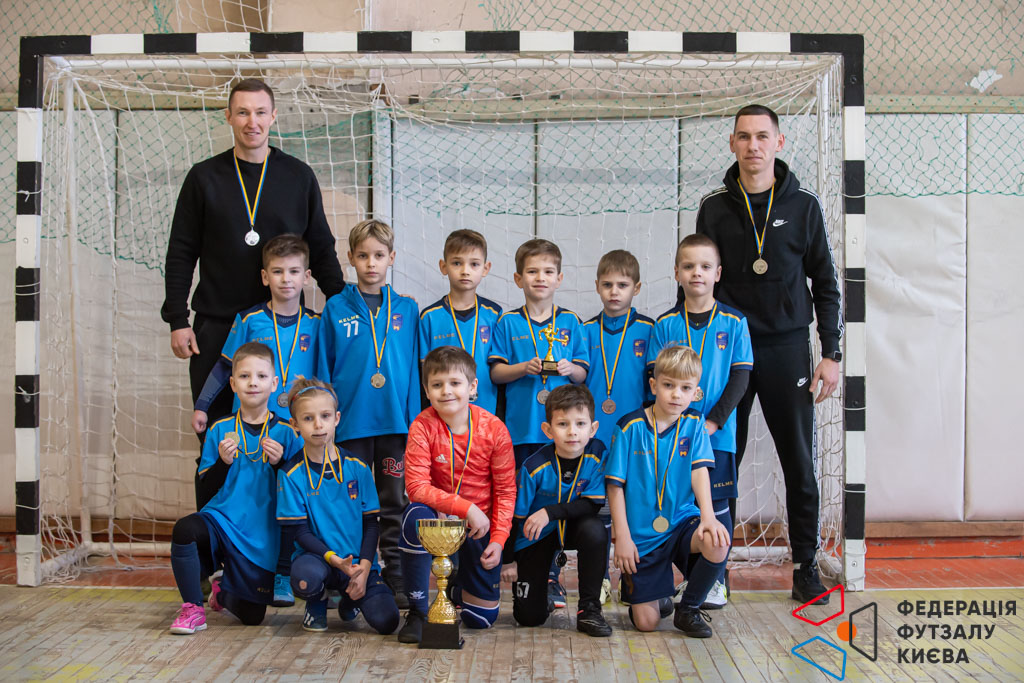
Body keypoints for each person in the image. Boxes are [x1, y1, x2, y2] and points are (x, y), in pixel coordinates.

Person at [161, 78, 343, 508]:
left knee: (289, 443)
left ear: (273, 116)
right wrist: (177, 319)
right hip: (218, 326)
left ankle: (283, 538)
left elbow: (321, 247)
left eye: (260, 112)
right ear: (228, 117)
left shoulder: (297, 176)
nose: (252, 122)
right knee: (216, 439)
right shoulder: (203, 177)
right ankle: (214, 538)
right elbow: (181, 251)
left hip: (283, 329)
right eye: (242, 112)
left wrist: (342, 306)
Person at [695, 104, 842, 603]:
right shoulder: (714, 207)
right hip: (726, 349)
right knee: (719, 459)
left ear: (779, 143)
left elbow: (825, 283)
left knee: (799, 460)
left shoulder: (804, 205)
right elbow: (699, 278)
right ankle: (712, 570)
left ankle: (805, 565)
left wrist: (831, 352)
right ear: (732, 144)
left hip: (786, 348)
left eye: (762, 136)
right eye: (744, 137)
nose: (753, 145)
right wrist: (691, 351)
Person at [316, 219, 419, 607]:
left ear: (391, 258)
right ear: (350, 258)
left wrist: (413, 421)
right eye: (363, 256)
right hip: (350, 425)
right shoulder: (335, 308)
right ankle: (348, 572)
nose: (371, 263)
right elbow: (323, 368)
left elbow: (415, 370)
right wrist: (326, 419)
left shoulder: (407, 309)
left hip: (394, 424)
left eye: (378, 255)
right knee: (350, 501)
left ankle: (394, 570)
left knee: (393, 500)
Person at [647, 234, 752, 609]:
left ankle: (716, 582)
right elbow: (654, 381)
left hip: (716, 435)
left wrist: (714, 422)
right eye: (689, 266)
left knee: (716, 504)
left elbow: (741, 378)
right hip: (674, 436)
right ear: (676, 272)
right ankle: (684, 580)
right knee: (678, 506)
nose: (697, 273)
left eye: (705, 267)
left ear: (718, 273)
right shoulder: (665, 324)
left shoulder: (735, 322)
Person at [168, 342, 299, 635]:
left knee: (253, 617)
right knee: (185, 530)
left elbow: (300, 494)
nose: (253, 382)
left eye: (261, 376)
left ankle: (223, 592)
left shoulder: (288, 433)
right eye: (244, 376)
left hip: (262, 536)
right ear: (232, 384)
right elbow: (206, 489)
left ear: (274, 383)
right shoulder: (219, 429)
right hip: (223, 521)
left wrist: (281, 464)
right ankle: (192, 609)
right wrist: (223, 463)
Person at [489, 238, 589, 608]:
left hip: (562, 436)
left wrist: (569, 368)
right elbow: (496, 373)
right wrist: (523, 368)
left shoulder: (571, 322)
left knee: (556, 501)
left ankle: (552, 574)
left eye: (548, 271)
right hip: (522, 431)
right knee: (522, 501)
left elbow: (583, 374)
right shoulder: (507, 322)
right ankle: (520, 565)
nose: (540, 278)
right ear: (518, 278)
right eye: (532, 271)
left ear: (559, 278)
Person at [606, 345, 729, 638]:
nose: (676, 394)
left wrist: (708, 517)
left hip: (681, 522)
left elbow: (699, 471)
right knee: (646, 624)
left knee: (717, 540)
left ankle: (688, 609)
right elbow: (614, 486)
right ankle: (656, 596)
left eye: (685, 388)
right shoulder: (629, 426)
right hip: (643, 537)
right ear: (654, 386)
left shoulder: (694, 423)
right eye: (668, 385)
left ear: (696, 393)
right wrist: (622, 537)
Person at [397, 346, 516, 643]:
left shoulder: (494, 429)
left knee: (481, 620)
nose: (446, 391)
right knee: (413, 516)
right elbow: (416, 487)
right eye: (437, 385)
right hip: (439, 520)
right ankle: (417, 610)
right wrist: (466, 507)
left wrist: (499, 540)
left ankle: (456, 586)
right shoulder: (422, 426)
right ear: (426, 390)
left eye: (455, 383)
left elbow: (505, 491)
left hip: (479, 527)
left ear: (473, 387)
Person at [277, 377, 400, 634]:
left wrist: (363, 568)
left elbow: (371, 524)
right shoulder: (290, 474)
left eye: (325, 416)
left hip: (357, 562)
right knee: (305, 578)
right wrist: (336, 561)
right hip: (319, 561)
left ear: (337, 418)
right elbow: (300, 532)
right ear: (295, 424)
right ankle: (317, 600)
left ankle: (350, 599)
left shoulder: (358, 467)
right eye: (308, 418)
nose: (318, 424)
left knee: (387, 621)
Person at [504, 384, 612, 637]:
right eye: (563, 424)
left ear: (593, 428)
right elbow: (515, 518)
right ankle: (541, 598)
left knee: (595, 530)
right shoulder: (533, 467)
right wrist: (508, 560)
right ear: (548, 429)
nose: (572, 432)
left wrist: (549, 512)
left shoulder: (597, 454)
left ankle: (589, 610)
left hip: (574, 527)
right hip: (535, 535)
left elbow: (593, 503)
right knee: (529, 618)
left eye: (580, 424)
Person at [418, 229, 503, 415]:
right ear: (443, 266)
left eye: (474, 264)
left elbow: (499, 369)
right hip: (443, 412)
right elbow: (425, 374)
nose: (465, 271)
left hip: (486, 410)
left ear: (486, 268)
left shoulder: (495, 314)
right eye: (457, 263)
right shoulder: (430, 317)